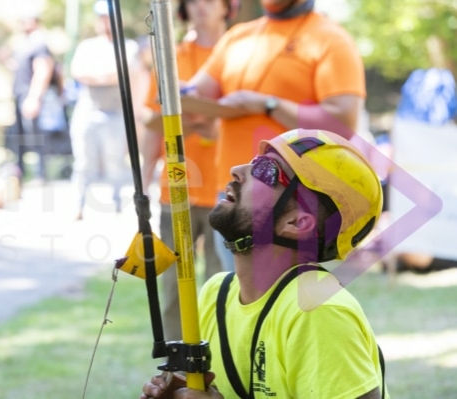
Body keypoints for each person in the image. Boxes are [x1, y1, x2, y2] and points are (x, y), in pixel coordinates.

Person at [141, 129, 388, 399]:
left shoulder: (318, 311)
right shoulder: (217, 294)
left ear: (296, 223)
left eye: (266, 170)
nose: (236, 170)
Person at [184, 0, 366, 272]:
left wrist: (267, 104)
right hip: (233, 189)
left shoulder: (331, 38)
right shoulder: (237, 36)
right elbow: (196, 95)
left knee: (286, 301)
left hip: (292, 197)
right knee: (238, 298)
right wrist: (179, 93)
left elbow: (342, 122)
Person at [141, 0, 233, 341]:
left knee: (222, 279)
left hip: (228, 188)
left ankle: (220, 356)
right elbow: (152, 119)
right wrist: (194, 127)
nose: (200, 7)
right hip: (178, 187)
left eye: (210, 0)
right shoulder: (172, 55)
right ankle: (177, 365)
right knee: (173, 284)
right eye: (192, 0)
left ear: (227, 7)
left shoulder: (239, 52)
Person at [69, 0, 141, 220]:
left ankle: (116, 204)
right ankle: (78, 204)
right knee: (83, 160)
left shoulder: (128, 46)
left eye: (108, 17)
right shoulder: (87, 46)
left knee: (115, 161)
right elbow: (78, 71)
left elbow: (125, 73)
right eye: (101, 17)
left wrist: (100, 75)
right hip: (88, 109)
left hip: (116, 112)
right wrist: (105, 76)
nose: (104, 22)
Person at [7, 11, 58, 183]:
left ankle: (40, 174)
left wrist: (34, 97)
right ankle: (21, 173)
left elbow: (43, 69)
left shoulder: (39, 43)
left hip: (31, 96)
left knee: (35, 136)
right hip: (20, 95)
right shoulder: (23, 43)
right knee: (20, 137)